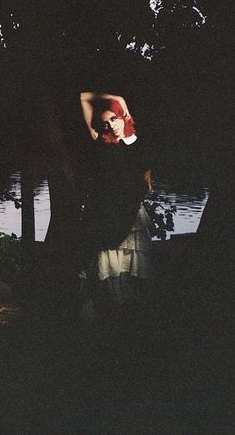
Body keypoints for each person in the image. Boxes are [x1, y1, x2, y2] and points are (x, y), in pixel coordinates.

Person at [78, 92, 156, 328]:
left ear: (124, 116)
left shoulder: (138, 143)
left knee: (130, 266)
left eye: (114, 119)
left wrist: (119, 102)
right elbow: (83, 97)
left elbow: (147, 183)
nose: (110, 126)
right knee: (106, 263)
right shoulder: (100, 140)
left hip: (129, 212)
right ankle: (105, 311)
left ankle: (129, 316)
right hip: (103, 212)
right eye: (105, 123)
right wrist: (116, 98)